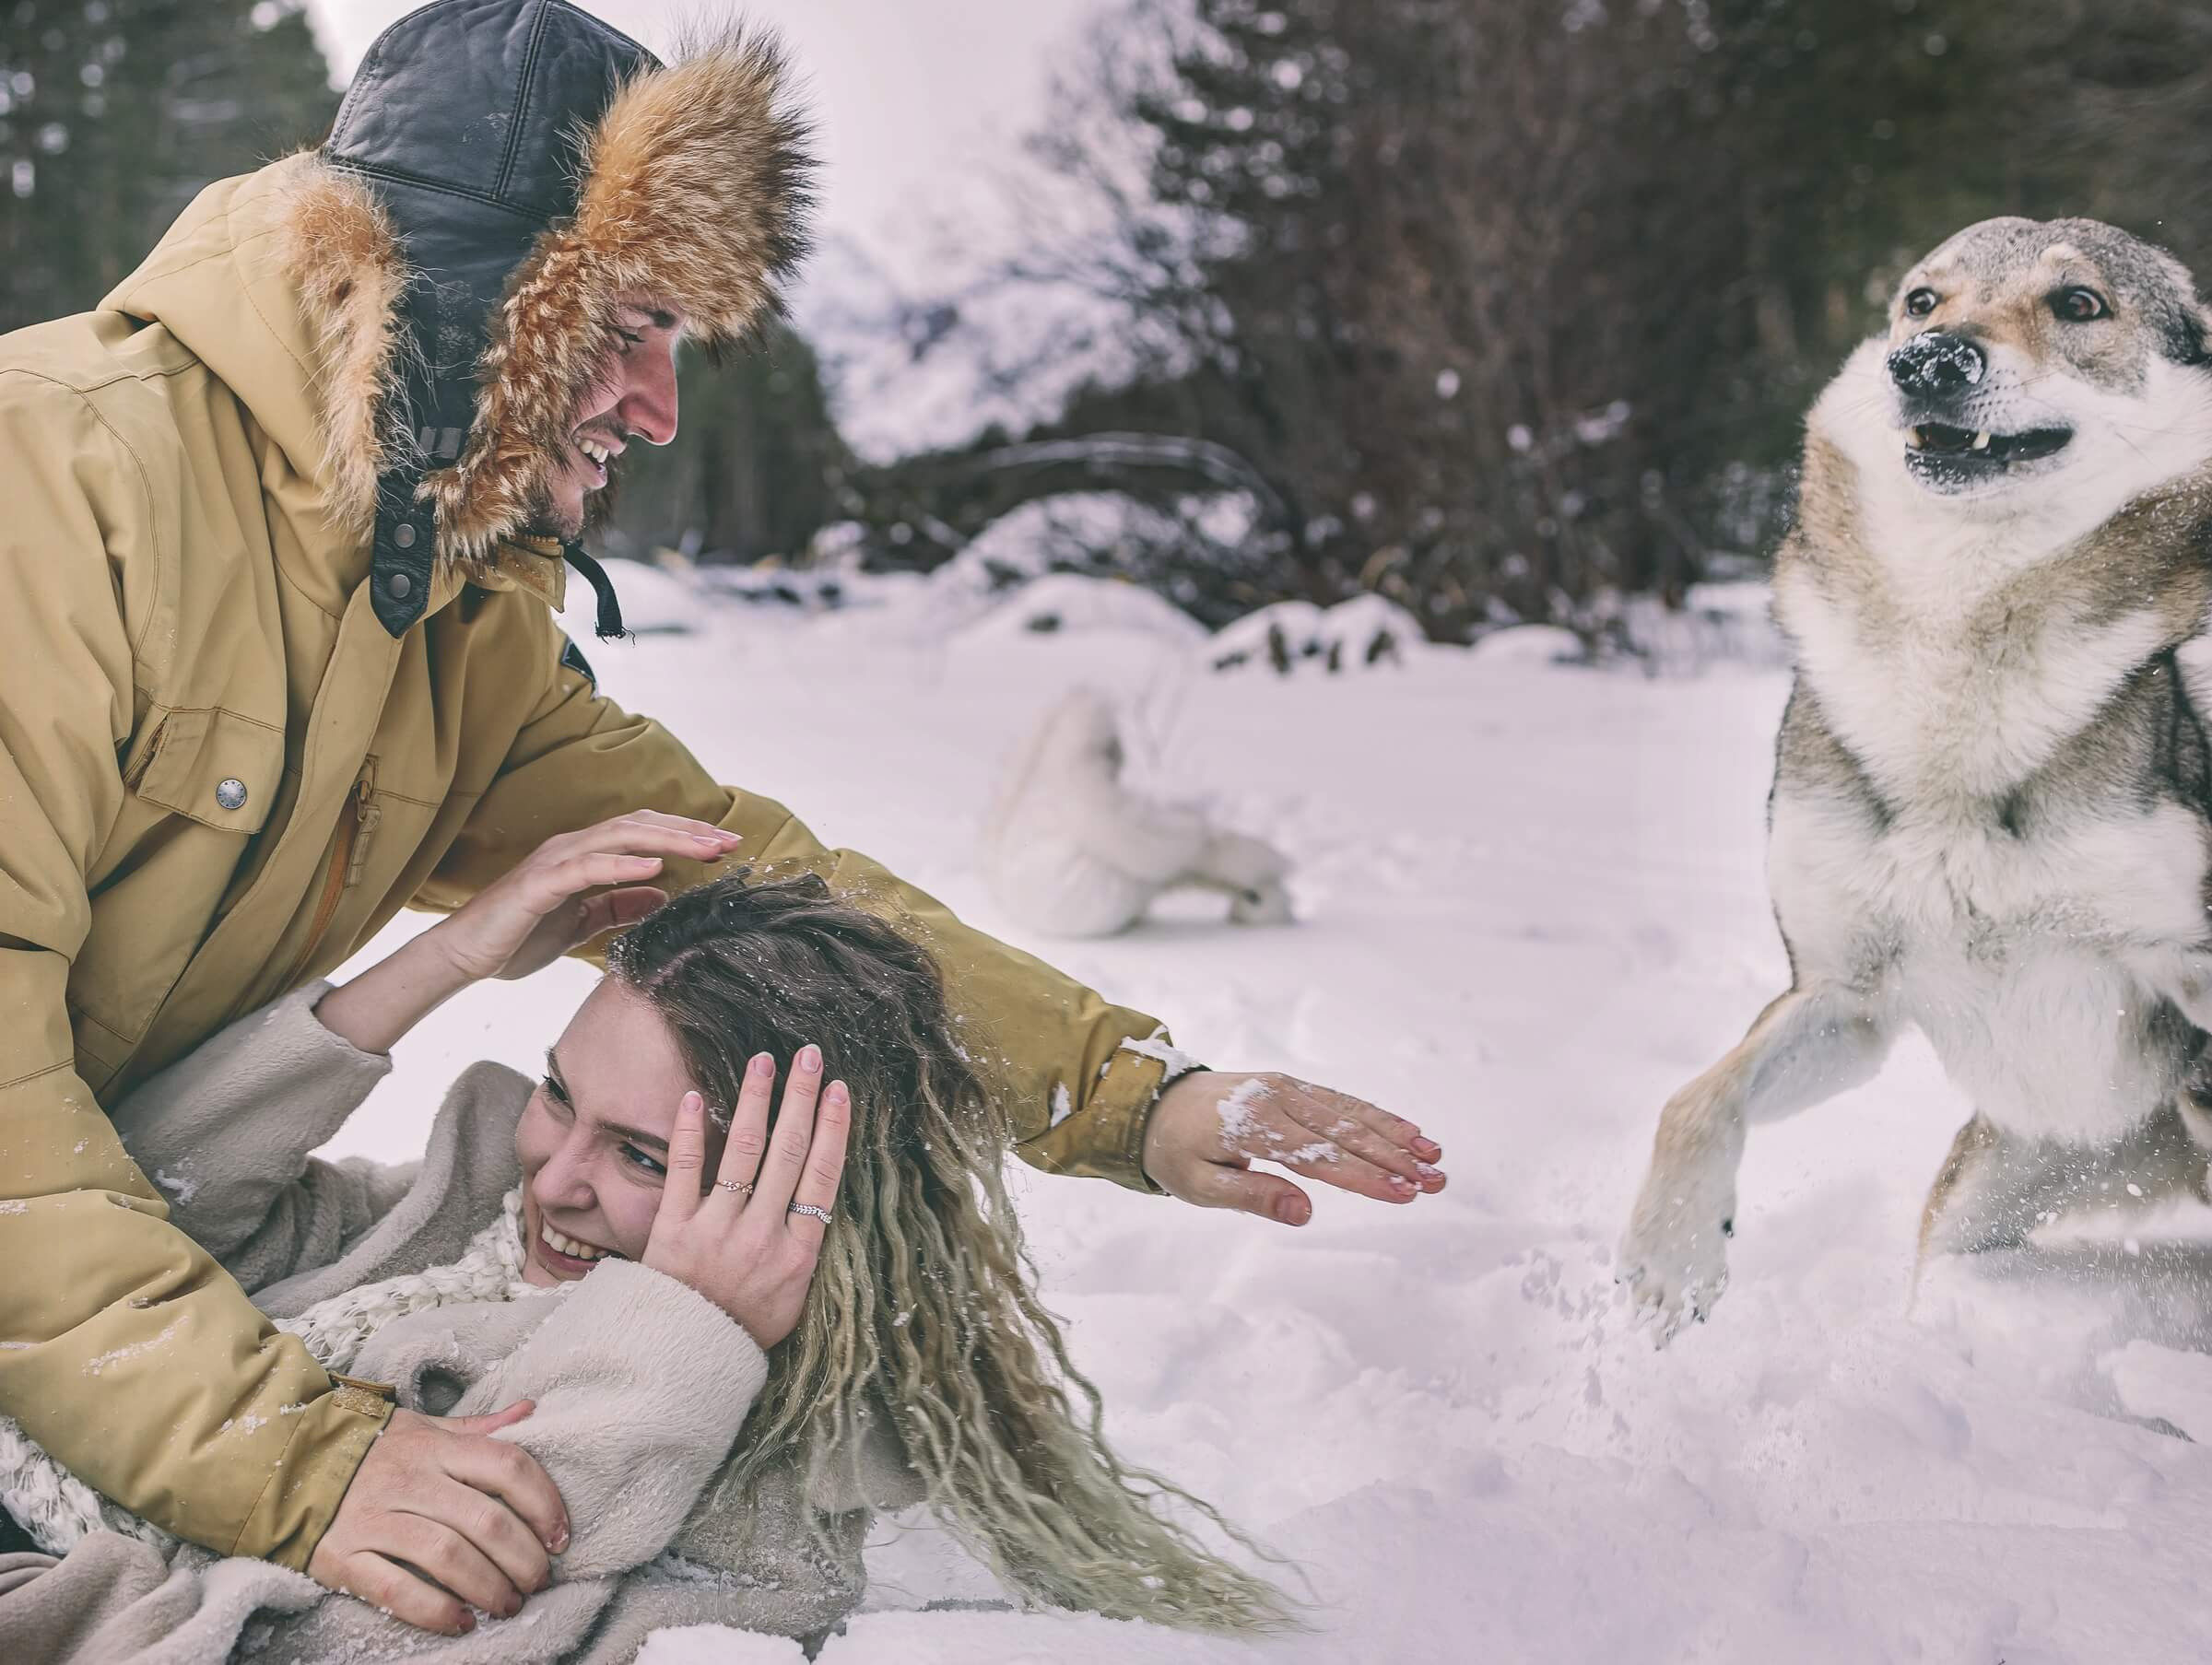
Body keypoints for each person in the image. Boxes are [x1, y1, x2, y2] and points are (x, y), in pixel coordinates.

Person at [0, 0, 1444, 1620]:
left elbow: (751, 885)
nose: (656, 405)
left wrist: (1125, 1095)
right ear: (458, 294)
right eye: (626, 325)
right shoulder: (51, 488)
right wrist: (295, 1462)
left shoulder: (446, 617)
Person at [0, 813, 1288, 1660]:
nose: (554, 1179)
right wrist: (436, 963)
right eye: (559, 1094)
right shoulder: (454, 1229)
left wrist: (679, 1337)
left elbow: (355, 1647)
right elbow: (104, 1224)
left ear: (812, 1202)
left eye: (647, 1157)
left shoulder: (756, 1465)